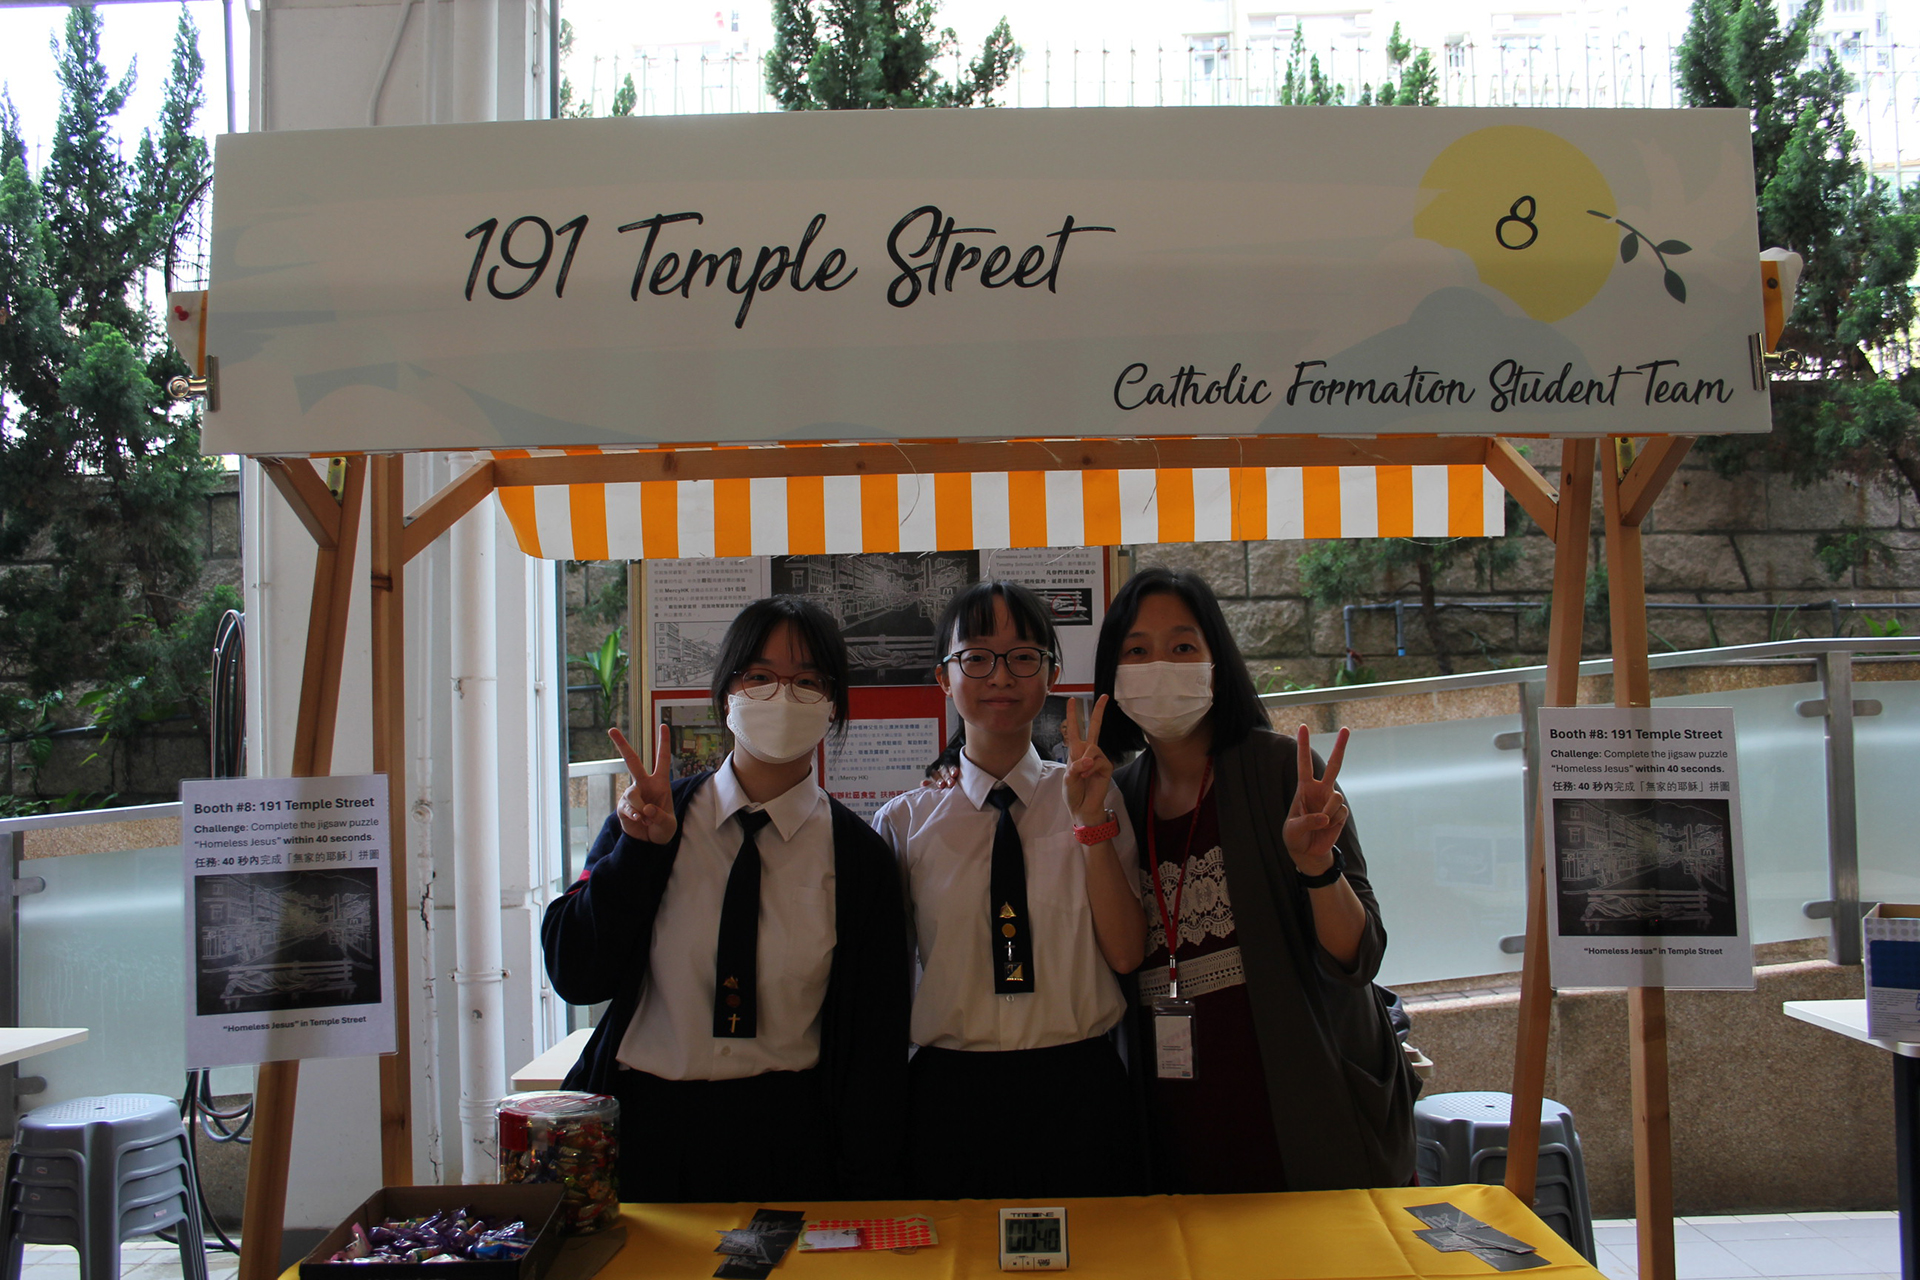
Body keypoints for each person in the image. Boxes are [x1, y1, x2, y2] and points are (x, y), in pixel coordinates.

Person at [541, 596, 910, 1203]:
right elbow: (575, 973)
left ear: (834, 705)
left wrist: (867, 1190)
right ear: (725, 697)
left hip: (788, 1140)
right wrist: (637, 854)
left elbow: (874, 1047)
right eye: (759, 676)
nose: (782, 696)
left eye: (807, 681)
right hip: (647, 1133)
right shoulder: (653, 819)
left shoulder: (860, 860)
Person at [1093, 566, 1416, 1194]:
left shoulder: (1279, 773)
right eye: (1137, 651)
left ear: (1217, 662)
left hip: (1306, 1113)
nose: (1160, 665)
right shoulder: (1117, 799)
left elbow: (1359, 956)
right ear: (1113, 674)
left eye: (1183, 647)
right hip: (1180, 1125)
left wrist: (1319, 868)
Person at [873, 580, 1147, 1199]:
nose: (1001, 675)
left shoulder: (1094, 798)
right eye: (976, 657)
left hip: (1079, 1086)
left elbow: (1128, 953)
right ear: (945, 678)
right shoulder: (904, 822)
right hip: (948, 1095)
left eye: (1024, 656)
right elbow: (884, 982)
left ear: (1050, 675)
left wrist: (1088, 822)